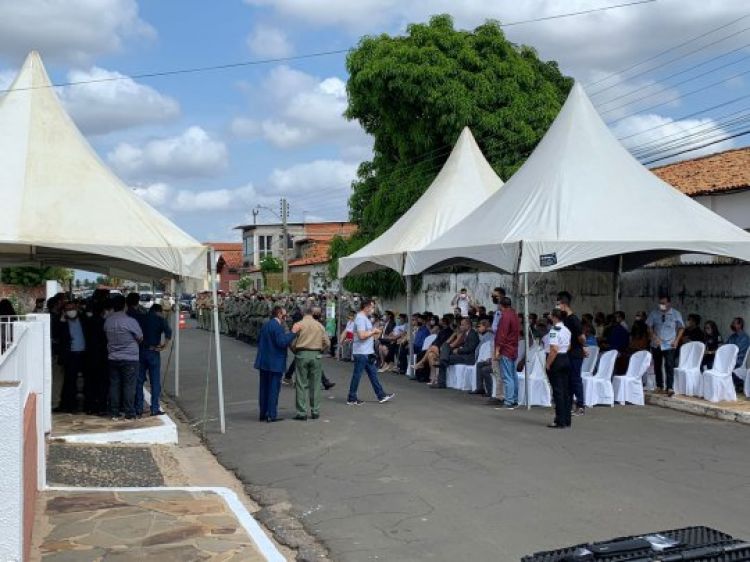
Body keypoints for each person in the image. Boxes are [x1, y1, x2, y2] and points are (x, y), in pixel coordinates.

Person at [254, 305, 299, 422]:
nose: (286, 318)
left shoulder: (266, 324)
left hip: (264, 361)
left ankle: (263, 413)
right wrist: (293, 333)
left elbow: (259, 339)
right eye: (285, 315)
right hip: (275, 362)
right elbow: (282, 342)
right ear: (279, 314)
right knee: (273, 389)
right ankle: (271, 414)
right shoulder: (278, 327)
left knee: (264, 389)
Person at [347, 299, 395, 405]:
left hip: (367, 352)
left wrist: (375, 331)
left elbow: (368, 334)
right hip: (361, 352)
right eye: (372, 307)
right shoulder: (360, 318)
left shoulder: (365, 318)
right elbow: (362, 335)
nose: (373, 309)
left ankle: (381, 395)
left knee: (373, 374)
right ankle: (351, 397)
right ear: (367, 307)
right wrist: (373, 331)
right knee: (357, 375)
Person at [104, 295, 143, 420]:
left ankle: (114, 412)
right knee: (129, 386)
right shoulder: (130, 321)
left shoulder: (108, 321)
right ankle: (129, 412)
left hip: (113, 357)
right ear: (125, 305)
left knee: (114, 386)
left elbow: (106, 336)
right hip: (130, 358)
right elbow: (140, 337)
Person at [292, 306, 330, 420]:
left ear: (303, 313)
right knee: (315, 384)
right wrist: (321, 350)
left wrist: (295, 350)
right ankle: (315, 411)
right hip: (316, 355)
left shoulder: (298, 325)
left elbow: (291, 341)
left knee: (301, 384)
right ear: (312, 313)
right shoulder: (319, 326)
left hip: (302, 354)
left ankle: (301, 412)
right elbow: (327, 343)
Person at [135, 304, 172, 417]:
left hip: (141, 351)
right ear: (158, 311)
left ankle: (139, 408)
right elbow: (168, 333)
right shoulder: (160, 319)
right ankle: (154, 409)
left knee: (139, 381)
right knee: (155, 381)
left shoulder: (141, 318)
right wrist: (164, 346)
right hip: (153, 351)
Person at [646, 295, 684, 396]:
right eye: (660, 303)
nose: (661, 305)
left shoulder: (676, 314)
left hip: (669, 343)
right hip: (657, 343)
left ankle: (670, 387)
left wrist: (676, 340)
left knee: (669, 365)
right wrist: (654, 337)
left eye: (663, 303)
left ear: (669, 303)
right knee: (657, 365)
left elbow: (681, 328)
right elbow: (649, 327)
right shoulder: (654, 313)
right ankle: (659, 386)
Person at [556, 291, 587, 416]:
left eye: (558, 304)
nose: (557, 307)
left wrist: (583, 347)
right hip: (567, 353)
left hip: (575, 354)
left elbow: (582, 337)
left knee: (575, 380)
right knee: (568, 381)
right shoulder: (565, 319)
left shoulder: (574, 319)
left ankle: (580, 405)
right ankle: (568, 405)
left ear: (564, 305)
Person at [55, 301, 89, 413]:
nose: (71, 311)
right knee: (70, 381)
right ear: (64, 311)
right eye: (68, 309)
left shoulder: (83, 320)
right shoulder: (63, 323)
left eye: (73, 308)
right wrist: (61, 321)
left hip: (84, 354)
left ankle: (87, 405)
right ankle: (70, 405)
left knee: (87, 380)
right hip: (70, 355)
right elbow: (56, 334)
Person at [434, 317, 479, 389]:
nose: (461, 326)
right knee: (445, 345)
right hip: (463, 354)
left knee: (444, 361)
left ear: (468, 325)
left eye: (462, 325)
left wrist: (459, 350)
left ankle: (441, 382)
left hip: (468, 357)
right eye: (461, 325)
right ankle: (443, 360)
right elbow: (457, 344)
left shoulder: (472, 334)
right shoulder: (465, 334)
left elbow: (471, 348)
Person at [546, 308, 572, 429]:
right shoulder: (566, 329)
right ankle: (567, 419)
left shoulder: (554, 330)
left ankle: (559, 420)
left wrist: (548, 363)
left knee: (558, 391)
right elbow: (569, 345)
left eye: (551, 315)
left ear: (554, 317)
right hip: (565, 357)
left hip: (557, 360)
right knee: (565, 391)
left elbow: (554, 349)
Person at [495, 297, 520, 409]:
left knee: (507, 376)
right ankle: (514, 399)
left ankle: (509, 401)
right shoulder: (514, 315)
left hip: (506, 348)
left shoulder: (505, 316)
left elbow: (502, 334)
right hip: (513, 348)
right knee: (513, 375)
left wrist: (497, 350)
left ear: (501, 305)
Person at [727, 317, 749, 389]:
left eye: (734, 323)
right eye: (732, 323)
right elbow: (725, 347)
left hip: (738, 360)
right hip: (729, 359)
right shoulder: (732, 336)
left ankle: (739, 384)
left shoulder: (745, 338)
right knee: (713, 362)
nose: (732, 325)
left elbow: (737, 351)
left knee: (725, 366)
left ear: (740, 325)